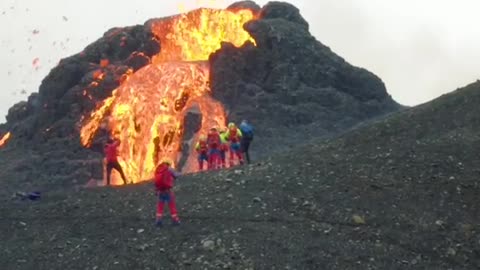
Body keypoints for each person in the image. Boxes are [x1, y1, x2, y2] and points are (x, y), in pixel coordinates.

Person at [154, 159, 181, 227]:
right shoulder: (169, 169)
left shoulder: (158, 169)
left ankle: (158, 220)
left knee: (160, 206)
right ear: (169, 163)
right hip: (168, 191)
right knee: (172, 205)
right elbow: (176, 175)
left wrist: (156, 190)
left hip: (160, 191)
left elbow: (156, 180)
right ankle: (175, 220)